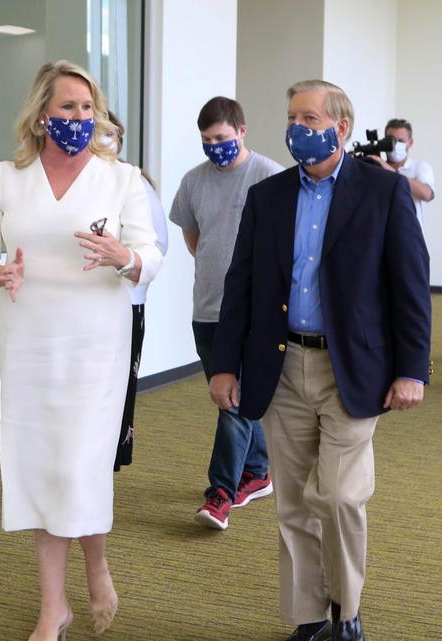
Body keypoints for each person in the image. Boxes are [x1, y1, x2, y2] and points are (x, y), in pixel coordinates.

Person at [209, 80, 431, 641]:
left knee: (336, 494)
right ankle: (309, 617)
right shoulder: (269, 196)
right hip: (281, 368)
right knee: (292, 503)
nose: (297, 128)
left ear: (342, 127)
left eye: (309, 117)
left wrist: (411, 369)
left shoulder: (383, 192)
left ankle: (346, 606)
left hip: (352, 370)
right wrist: (224, 363)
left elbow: (410, 287)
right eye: (291, 116)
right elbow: (242, 284)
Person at [0, 60, 163, 641]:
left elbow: (151, 254)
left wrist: (123, 257)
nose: (78, 117)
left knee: (79, 465)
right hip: (28, 341)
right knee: (40, 469)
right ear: (41, 113)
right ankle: (55, 605)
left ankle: (96, 566)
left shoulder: (120, 177)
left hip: (96, 341)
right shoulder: (8, 176)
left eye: (86, 107)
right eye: (67, 107)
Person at [169, 96, 283, 530]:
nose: (215, 146)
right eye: (207, 139)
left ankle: (219, 492)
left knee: (232, 402)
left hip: (254, 312)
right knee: (231, 398)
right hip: (207, 307)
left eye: (222, 137)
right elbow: (194, 237)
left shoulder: (268, 175)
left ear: (242, 131)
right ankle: (257, 472)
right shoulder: (193, 181)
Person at [104, 112, 169, 471]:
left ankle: (105, 463)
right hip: (77, 304)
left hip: (125, 302)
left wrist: (122, 260)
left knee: (113, 392)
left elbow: (158, 244)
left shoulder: (134, 183)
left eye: (109, 132)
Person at [364, 118, 434, 230]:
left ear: (410, 143)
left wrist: (390, 172)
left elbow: (427, 194)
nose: (395, 145)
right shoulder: (376, 168)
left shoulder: (419, 167)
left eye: (401, 141)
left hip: (409, 236)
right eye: (391, 140)